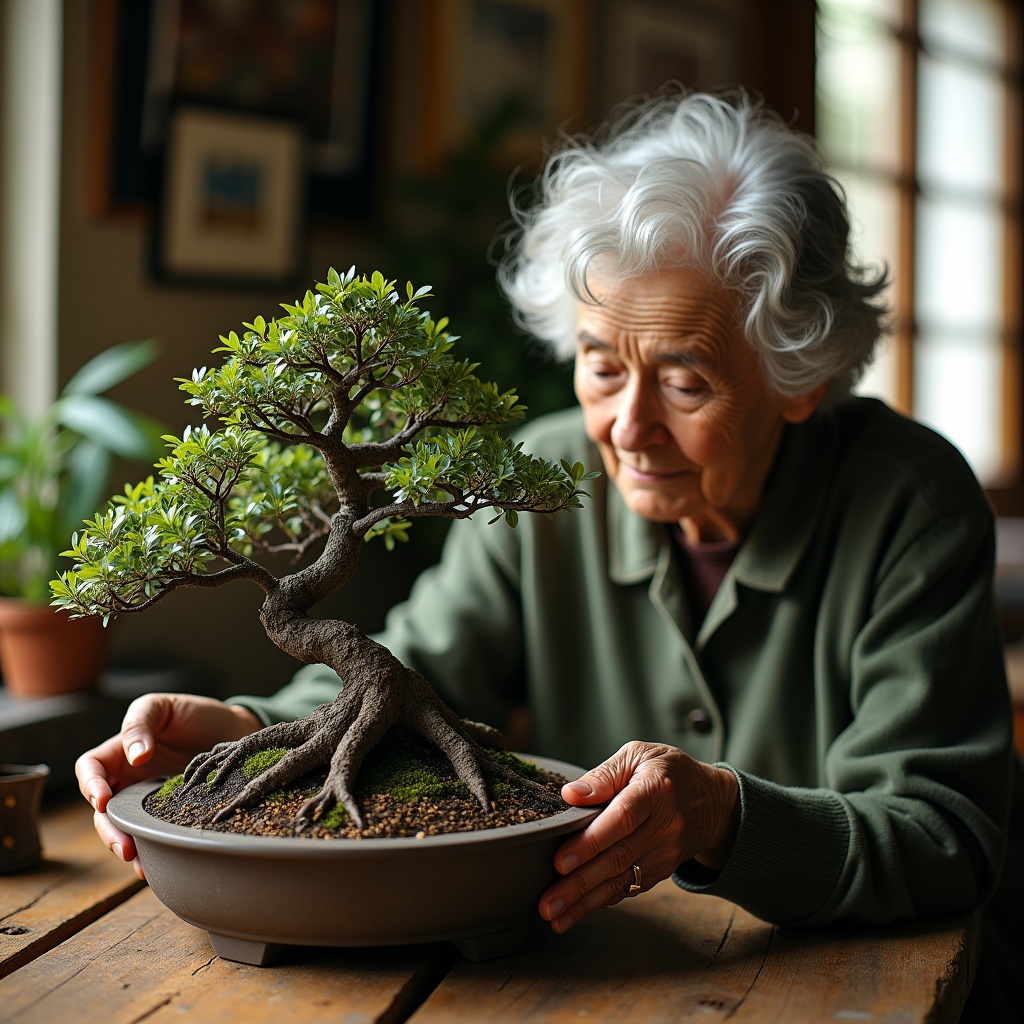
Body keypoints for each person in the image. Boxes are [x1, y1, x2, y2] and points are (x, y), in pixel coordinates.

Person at [76, 89, 1021, 1019]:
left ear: (798, 380)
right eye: (602, 366)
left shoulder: (909, 501)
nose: (629, 427)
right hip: (581, 989)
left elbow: (946, 834)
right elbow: (413, 674)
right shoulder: (548, 478)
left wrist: (727, 816)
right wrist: (241, 727)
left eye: (685, 380)